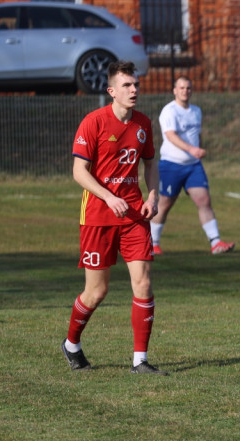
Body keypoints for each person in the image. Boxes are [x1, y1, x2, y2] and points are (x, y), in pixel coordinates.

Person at [62, 61, 167, 375]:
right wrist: (108, 196)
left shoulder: (143, 124)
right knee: (97, 291)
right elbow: (79, 171)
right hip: (97, 216)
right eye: (126, 85)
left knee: (144, 284)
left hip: (134, 214)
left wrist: (152, 195)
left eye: (135, 84)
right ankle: (71, 344)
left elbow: (150, 163)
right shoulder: (93, 122)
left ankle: (140, 361)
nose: (134, 90)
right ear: (111, 91)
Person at [150, 76, 235, 255]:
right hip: (171, 165)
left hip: (193, 165)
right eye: (181, 88)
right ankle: (153, 243)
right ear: (175, 90)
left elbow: (197, 134)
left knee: (204, 200)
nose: (185, 91)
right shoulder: (169, 111)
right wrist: (191, 149)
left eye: (188, 88)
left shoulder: (196, 111)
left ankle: (216, 243)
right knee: (165, 203)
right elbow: (171, 135)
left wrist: (198, 149)